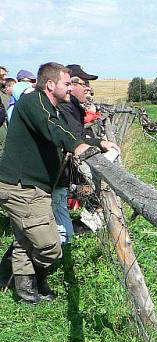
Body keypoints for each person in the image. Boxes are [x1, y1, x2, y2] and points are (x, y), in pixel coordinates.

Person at [0, 62, 117, 304]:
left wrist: (97, 144)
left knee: (24, 241)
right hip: (23, 187)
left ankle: (27, 293)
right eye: (67, 83)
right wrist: (78, 146)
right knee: (49, 245)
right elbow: (56, 130)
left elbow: (67, 132)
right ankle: (37, 281)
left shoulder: (49, 107)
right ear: (51, 85)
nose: (71, 86)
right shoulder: (36, 102)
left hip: (29, 186)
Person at [50, 64, 103, 245]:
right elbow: (75, 139)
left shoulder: (72, 106)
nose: (87, 87)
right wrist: (100, 143)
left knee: (84, 195)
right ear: (71, 85)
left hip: (65, 172)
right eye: (84, 82)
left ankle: (82, 227)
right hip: (58, 174)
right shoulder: (66, 108)